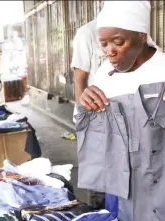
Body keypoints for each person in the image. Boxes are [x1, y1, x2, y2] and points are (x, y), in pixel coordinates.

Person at [79, 1, 165, 221]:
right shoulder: (103, 76)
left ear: (141, 36)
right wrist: (87, 101)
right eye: (104, 44)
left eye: (119, 41)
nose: (110, 52)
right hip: (120, 188)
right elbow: (98, 136)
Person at [70, 1, 105, 209]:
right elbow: (80, 78)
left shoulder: (135, 28)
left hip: (124, 120)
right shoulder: (88, 33)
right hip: (94, 118)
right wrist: (83, 117)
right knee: (98, 181)